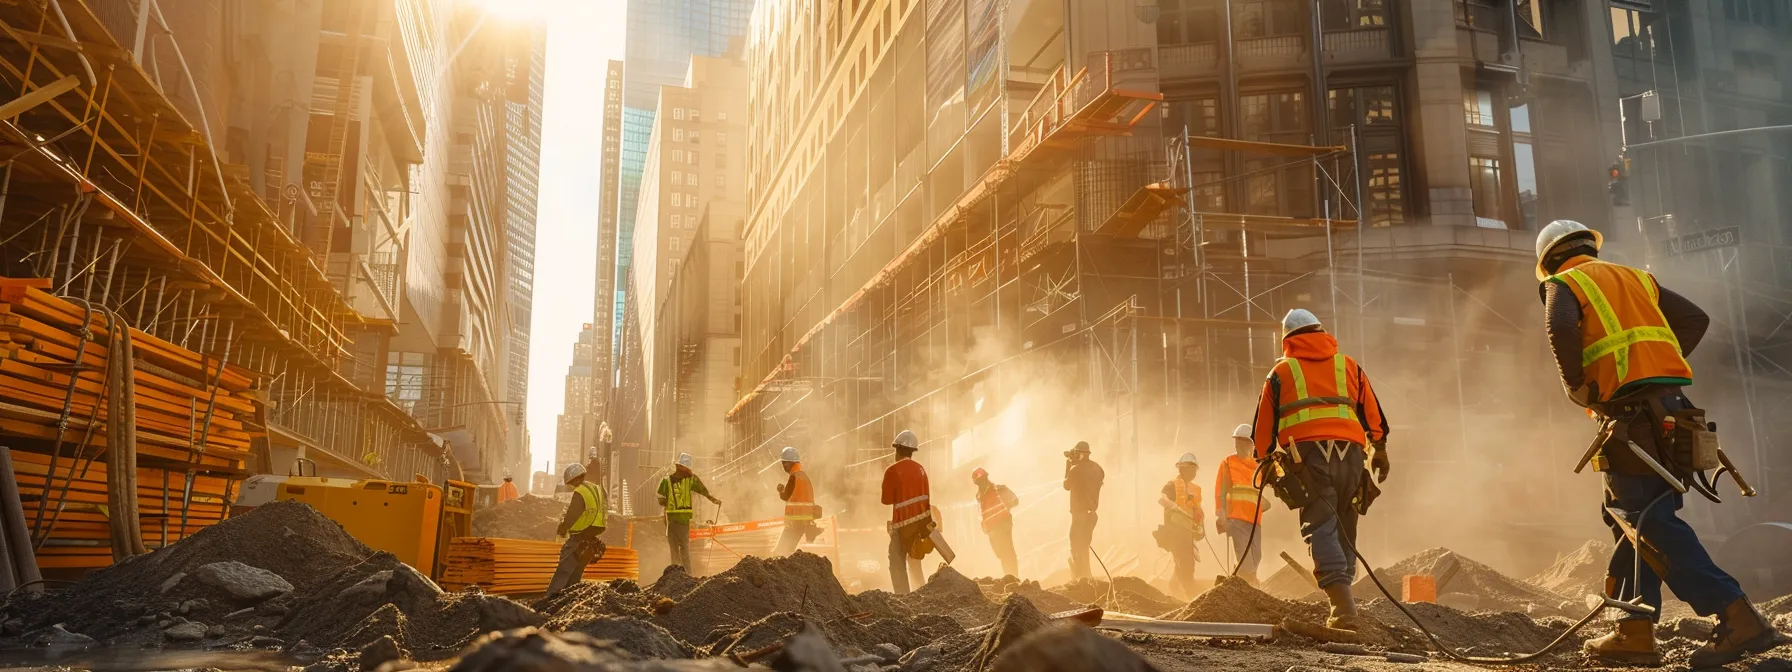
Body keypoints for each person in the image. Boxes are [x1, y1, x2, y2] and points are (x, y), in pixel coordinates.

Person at [1535, 220, 1785, 667]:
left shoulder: (1563, 282)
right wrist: (1656, 363)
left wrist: (1578, 386)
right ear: (1589, 247)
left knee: (1647, 521)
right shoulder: (1637, 278)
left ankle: (1737, 614)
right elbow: (1695, 319)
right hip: (1672, 408)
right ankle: (1633, 631)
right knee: (1633, 519)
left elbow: (1559, 328)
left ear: (1549, 260)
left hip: (1632, 417)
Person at [1251, 308, 1389, 633]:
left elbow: (1263, 428)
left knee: (1321, 524)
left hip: (1310, 457)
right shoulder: (1349, 365)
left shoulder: (1280, 373)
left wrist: (1265, 459)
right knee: (1345, 523)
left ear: (1287, 340)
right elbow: (1372, 409)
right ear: (1320, 332)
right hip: (1353, 457)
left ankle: (1342, 609)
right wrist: (1379, 448)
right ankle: (1345, 599)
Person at [1216, 423, 1270, 583]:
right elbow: (1220, 492)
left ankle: (1233, 584)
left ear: (1252, 444)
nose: (1239, 444)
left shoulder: (1258, 465)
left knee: (1256, 557)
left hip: (1255, 521)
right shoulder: (1228, 463)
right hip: (1236, 518)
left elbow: (1256, 492)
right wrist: (1221, 515)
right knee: (1246, 562)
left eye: (1244, 440)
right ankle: (1251, 588)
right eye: (1237, 440)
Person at [880, 429, 930, 594]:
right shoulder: (921, 470)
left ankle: (903, 597)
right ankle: (921, 594)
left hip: (902, 525)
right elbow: (925, 498)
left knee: (896, 562)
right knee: (915, 564)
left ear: (898, 449)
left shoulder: (892, 470)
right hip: (920, 526)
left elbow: (886, 500)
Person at [547, 463, 607, 595]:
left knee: (564, 568)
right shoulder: (595, 488)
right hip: (593, 533)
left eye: (570, 482)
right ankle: (570, 595)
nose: (571, 485)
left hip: (580, 533)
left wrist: (563, 528)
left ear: (573, 478)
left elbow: (573, 513)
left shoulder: (580, 491)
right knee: (577, 568)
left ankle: (550, 597)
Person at [657, 452, 721, 572]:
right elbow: (703, 490)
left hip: (671, 520)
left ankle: (676, 575)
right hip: (682, 520)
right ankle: (687, 574)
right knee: (684, 549)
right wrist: (713, 500)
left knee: (674, 549)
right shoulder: (691, 480)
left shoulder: (666, 481)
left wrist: (668, 503)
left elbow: (660, 498)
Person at [1156, 453, 1204, 599]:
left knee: (1183, 563)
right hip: (1175, 532)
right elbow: (1162, 499)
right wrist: (1174, 506)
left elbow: (1198, 510)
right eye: (1191, 468)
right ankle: (1191, 595)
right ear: (1182, 469)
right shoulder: (1172, 485)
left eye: (1195, 469)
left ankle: (1173, 589)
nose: (1194, 472)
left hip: (1188, 532)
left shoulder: (1195, 489)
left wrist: (1201, 526)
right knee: (1185, 564)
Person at [1063, 441, 1104, 580]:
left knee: (1076, 544)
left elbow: (1066, 485)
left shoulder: (1076, 470)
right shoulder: (1098, 468)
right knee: (1084, 545)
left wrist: (1068, 466)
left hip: (1079, 514)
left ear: (1079, 454)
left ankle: (1080, 576)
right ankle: (1087, 575)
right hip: (1092, 515)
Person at [972, 468, 1020, 578]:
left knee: (1007, 552)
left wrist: (1003, 509)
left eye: (981, 481)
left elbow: (1015, 500)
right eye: (977, 483)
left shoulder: (1000, 489)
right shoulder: (979, 496)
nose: (979, 484)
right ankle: (1010, 576)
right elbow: (983, 512)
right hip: (992, 528)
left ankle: (1013, 578)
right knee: (1001, 554)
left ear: (986, 478)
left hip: (1003, 525)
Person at [773, 446, 820, 556]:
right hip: (805, 522)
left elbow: (785, 496)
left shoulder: (794, 476)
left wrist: (780, 490)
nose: (783, 466)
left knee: (780, 552)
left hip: (795, 522)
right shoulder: (804, 476)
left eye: (785, 463)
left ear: (791, 463)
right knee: (788, 551)